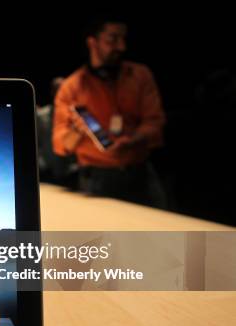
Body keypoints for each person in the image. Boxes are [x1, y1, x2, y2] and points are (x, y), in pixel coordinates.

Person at [52, 16, 166, 207]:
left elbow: (155, 122)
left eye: (123, 39)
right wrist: (78, 130)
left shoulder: (140, 75)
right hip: (97, 179)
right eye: (112, 39)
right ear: (92, 42)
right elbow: (60, 145)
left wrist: (133, 139)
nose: (121, 47)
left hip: (140, 172)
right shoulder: (72, 87)